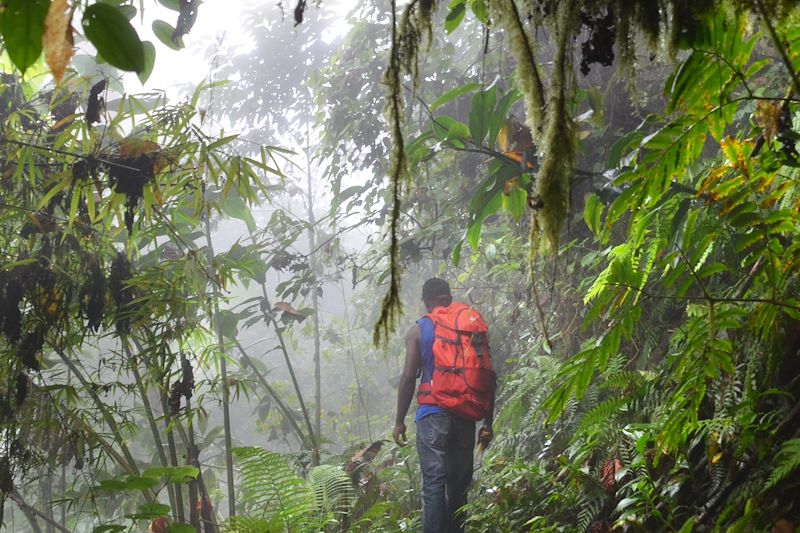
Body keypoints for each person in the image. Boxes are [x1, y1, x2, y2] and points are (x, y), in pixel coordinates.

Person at [393, 278, 494, 533]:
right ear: (449, 298)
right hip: (465, 414)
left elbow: (407, 377)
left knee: (434, 484)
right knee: (458, 485)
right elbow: (487, 374)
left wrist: (399, 421)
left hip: (431, 414)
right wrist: (488, 423)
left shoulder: (419, 330)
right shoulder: (469, 327)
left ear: (427, 302)